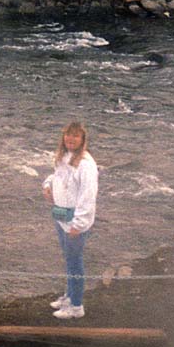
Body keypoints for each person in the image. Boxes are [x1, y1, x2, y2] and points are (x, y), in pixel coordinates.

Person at [41, 121, 98, 319]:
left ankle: (76, 306)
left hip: (74, 219)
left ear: (82, 140)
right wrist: (48, 185)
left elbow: (88, 196)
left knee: (75, 261)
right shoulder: (63, 157)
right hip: (60, 214)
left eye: (75, 136)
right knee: (67, 258)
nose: (70, 139)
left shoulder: (86, 165)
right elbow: (56, 176)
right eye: (68, 135)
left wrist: (79, 224)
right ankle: (69, 295)